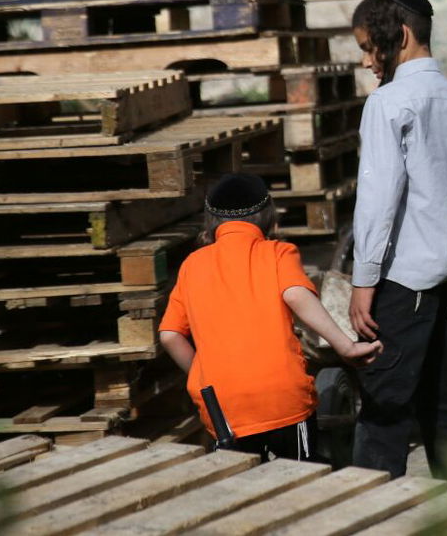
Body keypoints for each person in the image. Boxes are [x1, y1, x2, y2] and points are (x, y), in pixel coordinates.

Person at [348, 0, 447, 480]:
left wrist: (364, 282)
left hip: (402, 284)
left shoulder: (388, 103)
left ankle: (373, 516)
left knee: (384, 411)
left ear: (399, 36)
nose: (365, 62)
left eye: (367, 47)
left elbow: (379, 202)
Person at [159, 173, 380, 462]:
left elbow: (169, 334)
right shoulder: (277, 253)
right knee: (303, 484)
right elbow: (296, 295)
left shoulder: (192, 266)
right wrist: (346, 346)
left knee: (241, 493)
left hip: (224, 407)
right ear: (267, 216)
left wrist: (203, 375)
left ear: (211, 221)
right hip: (283, 400)